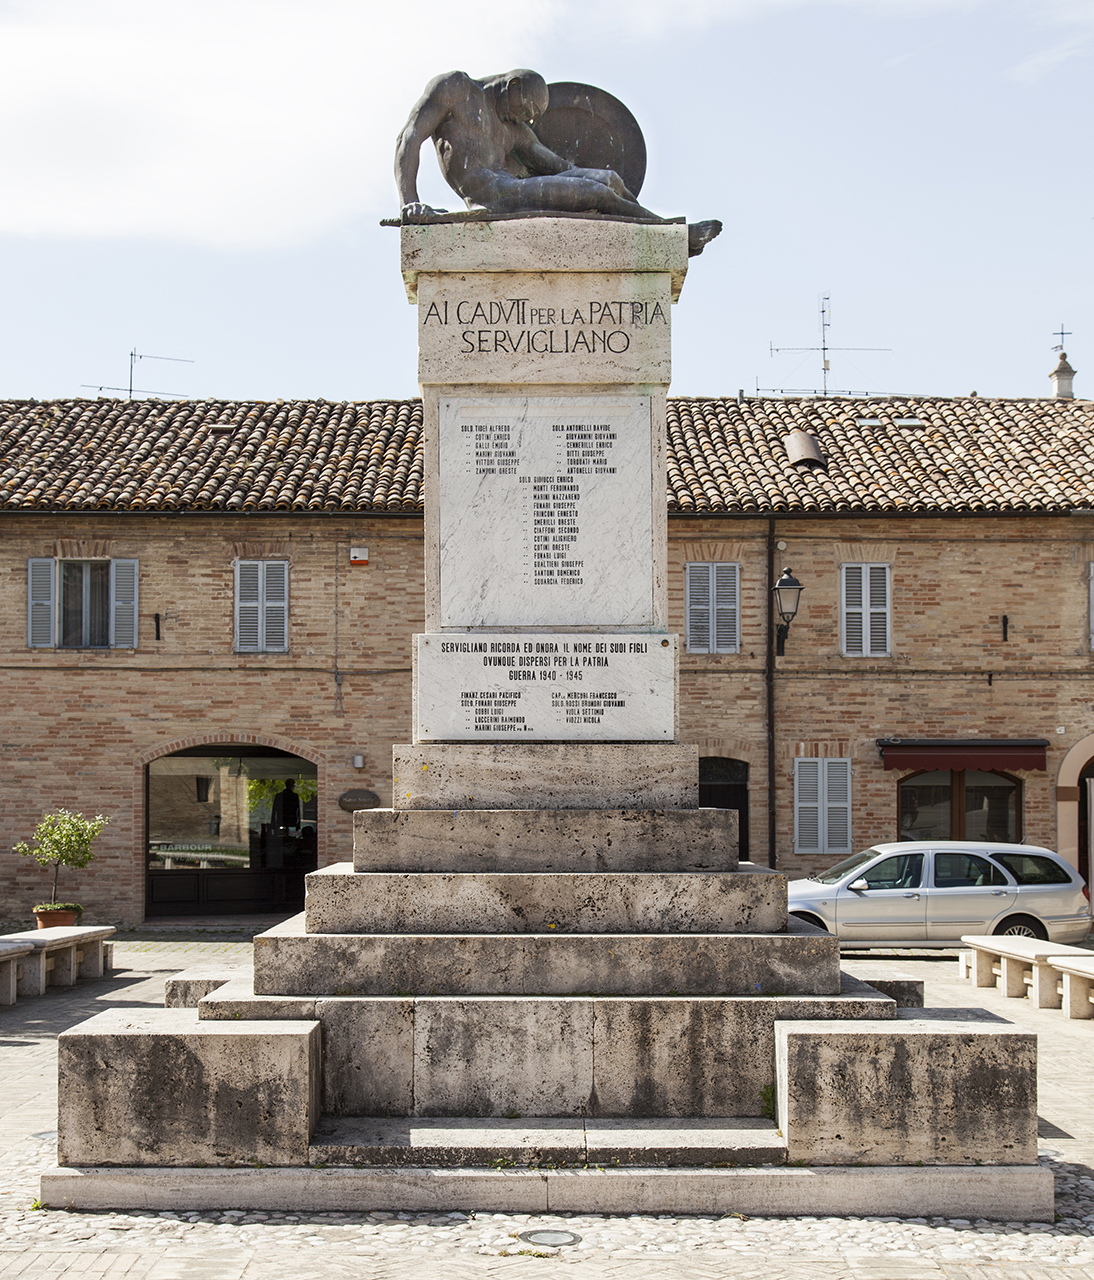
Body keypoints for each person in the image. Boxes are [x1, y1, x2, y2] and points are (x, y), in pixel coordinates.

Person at [395, 69, 721, 256]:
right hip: (490, 194)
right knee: (594, 195)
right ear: (514, 86)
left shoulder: (515, 130)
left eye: (531, 117)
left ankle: (659, 232)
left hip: (512, 190)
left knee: (606, 181)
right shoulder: (456, 88)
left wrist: (601, 175)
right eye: (524, 111)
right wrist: (410, 203)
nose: (524, 119)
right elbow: (408, 137)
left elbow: (561, 169)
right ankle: (671, 236)